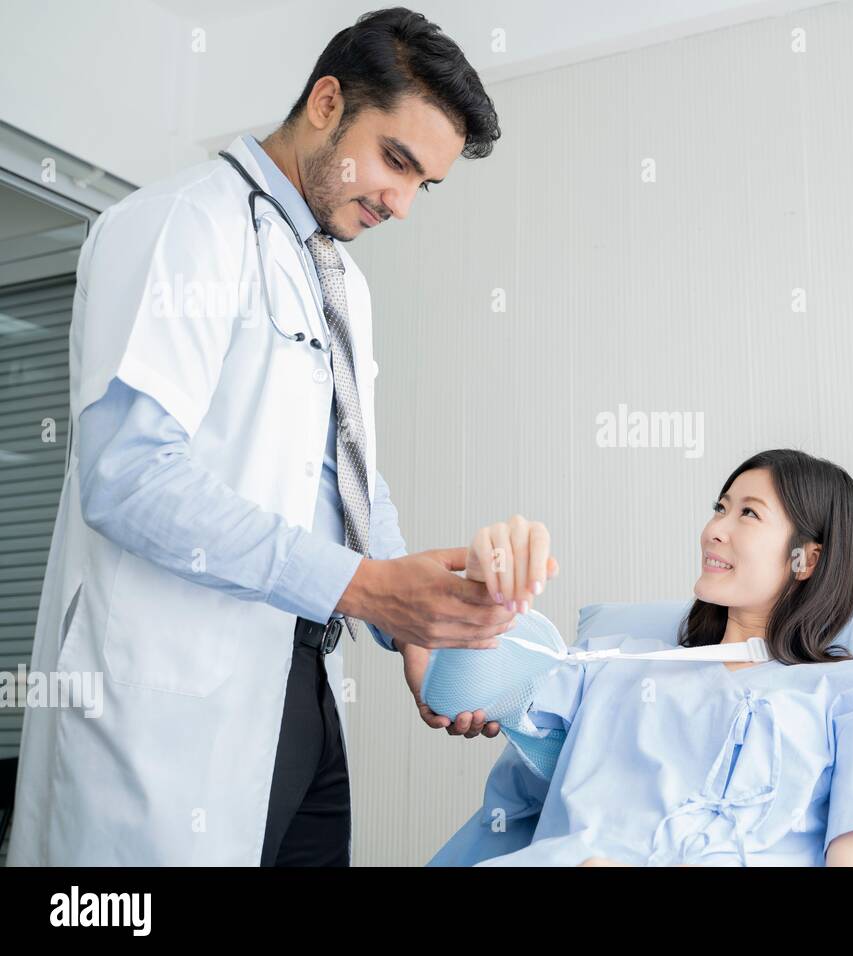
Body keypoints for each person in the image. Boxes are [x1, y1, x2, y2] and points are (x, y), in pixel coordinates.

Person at [8, 7, 549, 867]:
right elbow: (128, 475)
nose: (402, 204)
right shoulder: (182, 224)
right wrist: (367, 588)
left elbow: (350, 483)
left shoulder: (342, 285)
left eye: (424, 186)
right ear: (327, 103)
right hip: (171, 702)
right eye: (396, 162)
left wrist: (420, 632)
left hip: (300, 690)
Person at [456, 449, 853, 867]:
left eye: (748, 513)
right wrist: (484, 589)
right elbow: (459, 691)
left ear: (808, 559)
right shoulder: (613, 666)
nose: (714, 529)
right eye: (721, 507)